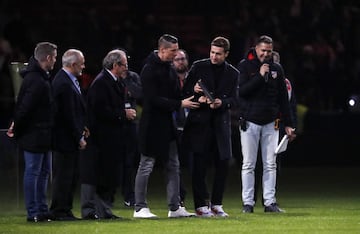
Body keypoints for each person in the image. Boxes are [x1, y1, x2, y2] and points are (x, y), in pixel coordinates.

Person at [134, 34, 199, 219]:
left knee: (173, 165)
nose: (176, 53)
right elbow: (151, 100)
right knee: (146, 165)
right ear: (162, 50)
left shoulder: (169, 68)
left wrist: (191, 94)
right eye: (173, 50)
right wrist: (179, 104)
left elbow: (176, 94)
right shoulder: (148, 70)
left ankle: (175, 206)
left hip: (167, 125)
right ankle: (139, 207)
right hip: (152, 125)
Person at [237, 35, 295, 213]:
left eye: (269, 51)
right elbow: (242, 92)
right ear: (256, 49)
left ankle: (270, 202)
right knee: (248, 164)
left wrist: (289, 123)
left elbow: (283, 99)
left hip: (272, 122)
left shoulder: (277, 69)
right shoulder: (245, 66)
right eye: (263, 50)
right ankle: (248, 203)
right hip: (250, 122)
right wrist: (260, 76)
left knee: (270, 163)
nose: (266, 54)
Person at [182, 36, 239, 217]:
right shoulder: (199, 66)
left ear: (226, 54)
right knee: (199, 166)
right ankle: (200, 205)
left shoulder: (233, 73)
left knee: (223, 164)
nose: (214, 56)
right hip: (200, 124)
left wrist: (221, 103)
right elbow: (185, 91)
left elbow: (235, 99)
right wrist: (196, 93)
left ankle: (216, 204)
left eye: (218, 54)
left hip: (221, 125)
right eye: (212, 52)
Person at [83, 49, 136, 219]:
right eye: (124, 66)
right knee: (102, 175)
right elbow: (99, 111)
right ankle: (99, 210)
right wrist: (123, 114)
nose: (126, 69)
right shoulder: (101, 83)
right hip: (103, 139)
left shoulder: (114, 81)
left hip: (113, 138)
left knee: (110, 176)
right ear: (115, 65)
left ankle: (105, 210)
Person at [12, 42, 57, 222]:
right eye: (54, 57)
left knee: (43, 171)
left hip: (43, 134)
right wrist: (17, 129)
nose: (55, 60)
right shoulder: (36, 80)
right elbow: (24, 108)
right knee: (33, 172)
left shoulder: (40, 77)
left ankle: (41, 209)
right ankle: (34, 212)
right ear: (47, 58)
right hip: (34, 134)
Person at [50, 49, 87, 221]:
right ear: (73, 65)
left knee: (70, 176)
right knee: (63, 176)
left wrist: (82, 127)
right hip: (64, 139)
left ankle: (65, 209)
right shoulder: (63, 83)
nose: (83, 67)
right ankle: (59, 210)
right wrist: (78, 136)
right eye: (81, 63)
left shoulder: (67, 80)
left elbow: (74, 112)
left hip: (68, 137)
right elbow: (67, 114)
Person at [119, 68, 142, 207]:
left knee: (130, 161)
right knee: (115, 162)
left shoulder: (132, 76)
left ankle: (129, 194)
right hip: (115, 123)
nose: (125, 66)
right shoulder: (107, 77)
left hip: (131, 124)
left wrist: (127, 79)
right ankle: (107, 195)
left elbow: (139, 94)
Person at [172, 49, 190, 207]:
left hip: (191, 127)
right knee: (174, 164)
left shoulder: (193, 79)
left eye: (183, 59)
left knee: (194, 163)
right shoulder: (169, 80)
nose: (180, 62)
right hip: (175, 127)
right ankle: (179, 196)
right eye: (177, 59)